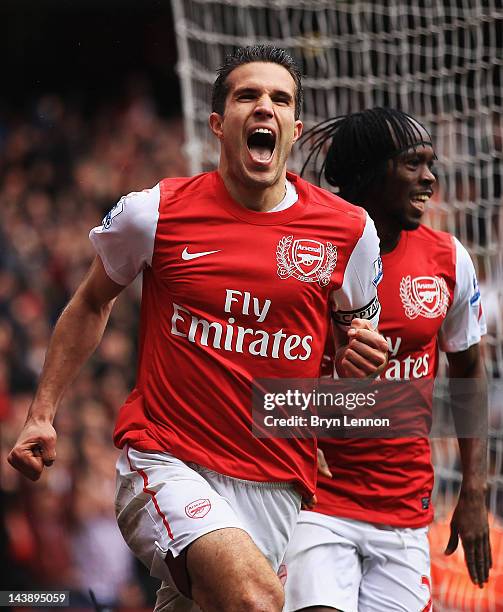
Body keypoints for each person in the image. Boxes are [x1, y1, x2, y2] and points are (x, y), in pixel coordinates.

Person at [7, 47, 388, 612]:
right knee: (257, 600)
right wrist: (41, 413)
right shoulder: (154, 212)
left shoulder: (349, 232)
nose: (265, 108)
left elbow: (356, 346)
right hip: (166, 459)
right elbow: (90, 303)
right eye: (247, 96)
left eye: (280, 99)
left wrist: (357, 369)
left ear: (295, 128)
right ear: (217, 123)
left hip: (276, 480)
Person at [283, 107, 492, 612]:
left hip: (405, 507)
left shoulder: (449, 260)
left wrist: (475, 491)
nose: (430, 179)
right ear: (368, 173)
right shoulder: (305, 254)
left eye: (431, 163)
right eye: (412, 165)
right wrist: (291, 432)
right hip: (316, 501)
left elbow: (468, 370)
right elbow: (257, 367)